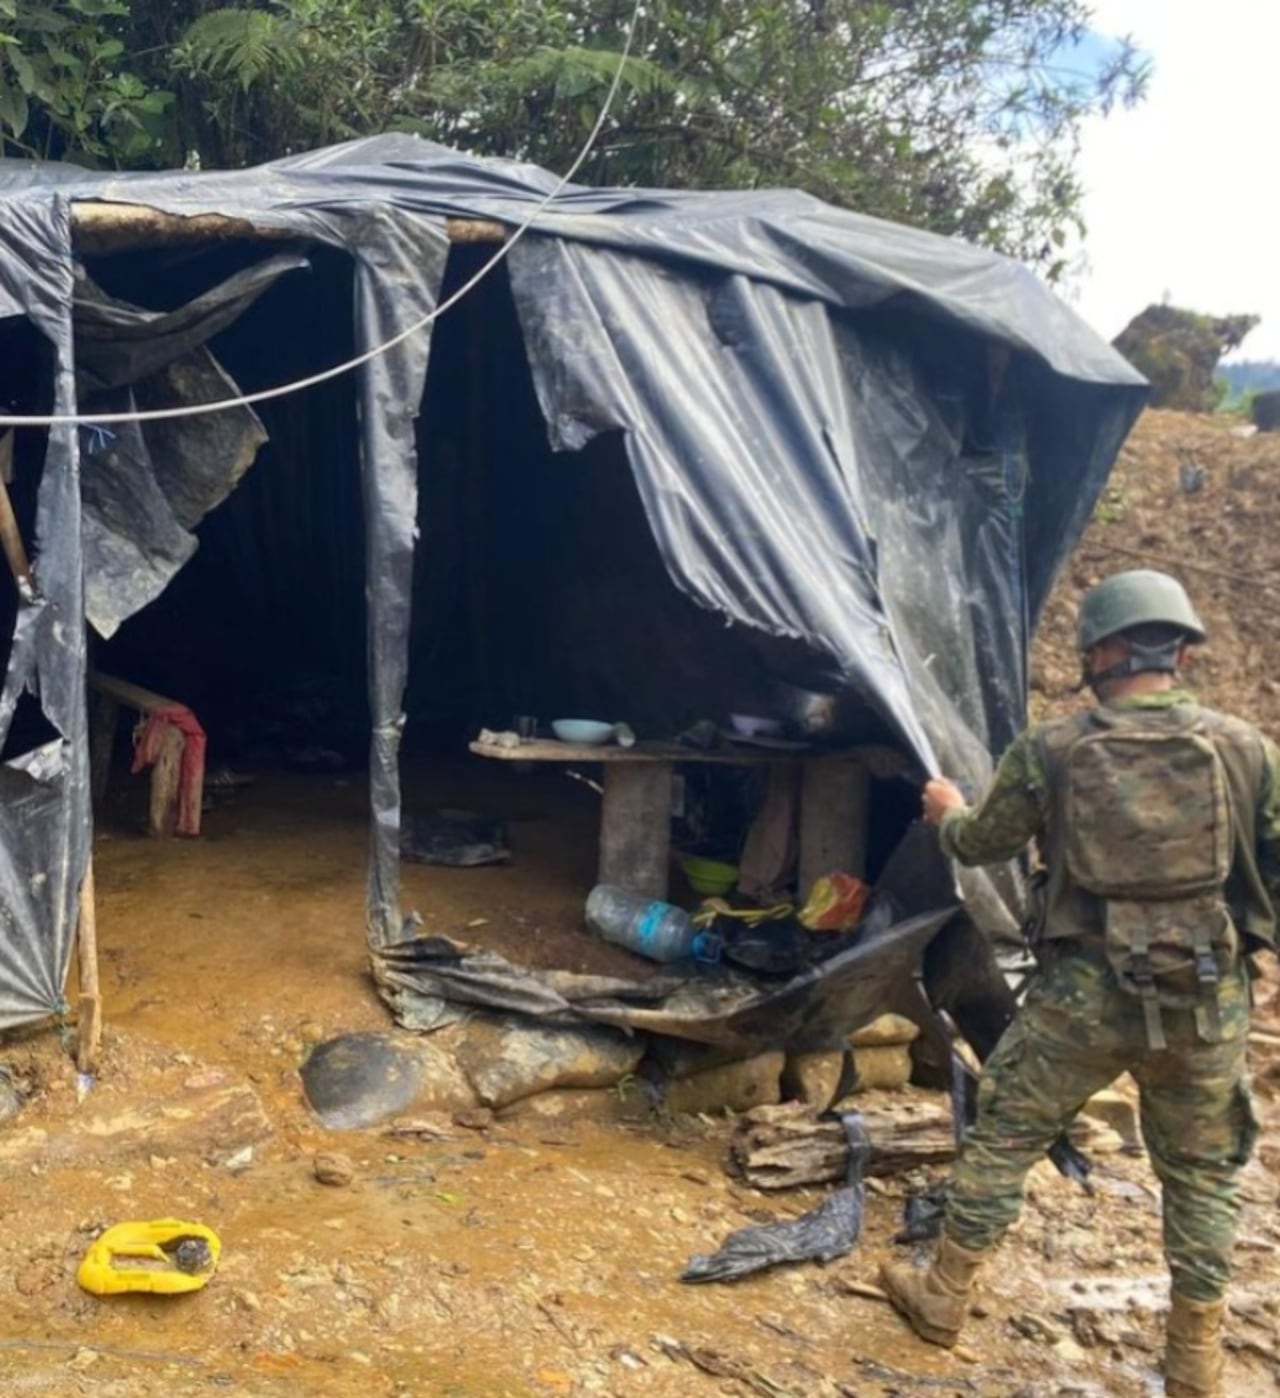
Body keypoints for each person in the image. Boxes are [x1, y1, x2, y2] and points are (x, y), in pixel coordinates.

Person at [878, 570, 1279, 1398]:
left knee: (1004, 1140)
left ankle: (943, 1299)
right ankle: (1196, 1364)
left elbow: (982, 843)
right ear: (1182, 649)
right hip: (1207, 995)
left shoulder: (1053, 749)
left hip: (1080, 998)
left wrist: (947, 810)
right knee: (1203, 1179)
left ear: (1100, 650)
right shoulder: (1247, 750)